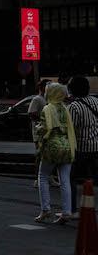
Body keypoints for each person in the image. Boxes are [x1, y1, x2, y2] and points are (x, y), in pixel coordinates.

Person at [35, 82, 76, 224]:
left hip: (52, 147)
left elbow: (44, 129)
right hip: (67, 146)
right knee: (64, 180)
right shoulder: (65, 109)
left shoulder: (47, 109)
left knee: (43, 176)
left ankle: (45, 210)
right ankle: (66, 212)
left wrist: (37, 129)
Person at [68, 76, 98, 217]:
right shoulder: (96, 101)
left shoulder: (73, 107)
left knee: (70, 178)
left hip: (81, 149)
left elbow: (70, 130)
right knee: (92, 177)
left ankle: (73, 210)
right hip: (96, 147)